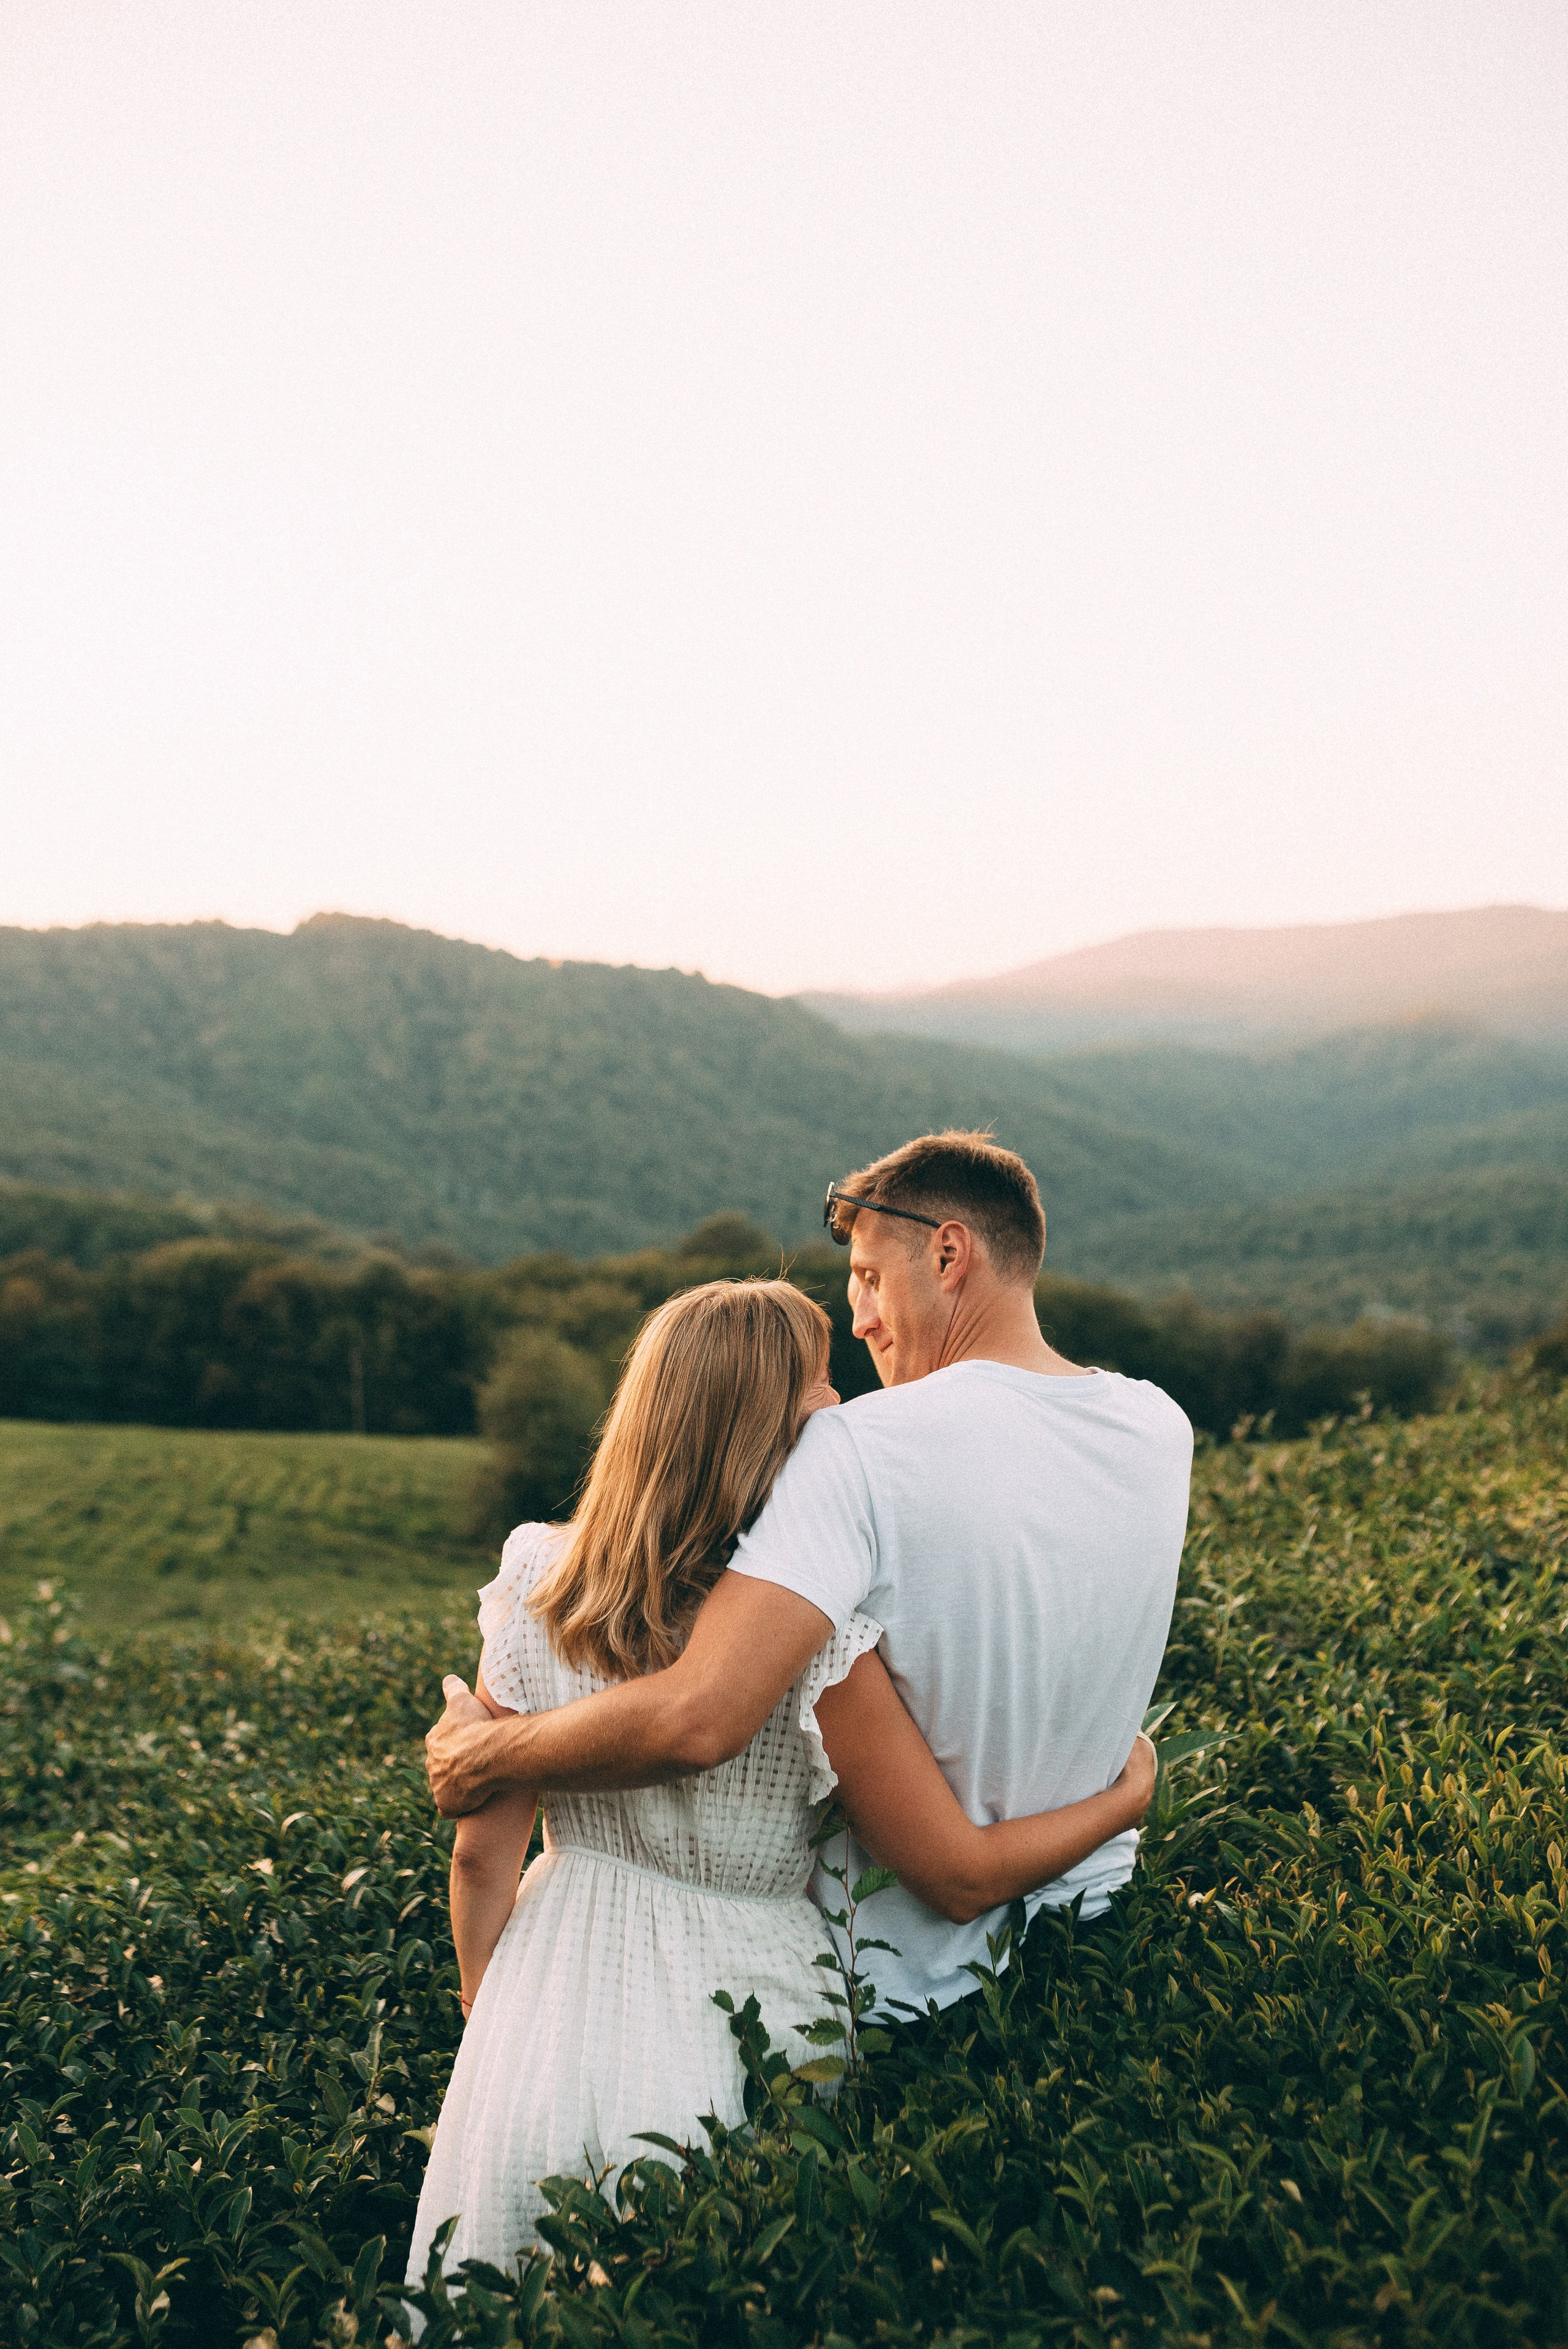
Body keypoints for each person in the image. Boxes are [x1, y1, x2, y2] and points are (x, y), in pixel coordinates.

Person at [409, 1273, 1158, 2278]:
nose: (840, 1404)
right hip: (752, 2000)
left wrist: (493, 2012)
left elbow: (479, 1856)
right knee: (717, 2277)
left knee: (505, 2286)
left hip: (550, 1980)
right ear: (759, 1427)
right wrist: (1126, 1797)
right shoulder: (816, 1645)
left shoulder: (538, 1579)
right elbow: (960, 1868)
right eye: (818, 1384)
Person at [426, 1131, 1193, 2025]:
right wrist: (1127, 1799)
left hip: (900, 1992)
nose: (861, 1314)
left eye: (869, 1275)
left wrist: (485, 1753)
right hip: (1097, 1939)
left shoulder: (856, 1449)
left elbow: (698, 1715)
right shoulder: (1158, 1425)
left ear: (949, 1252)